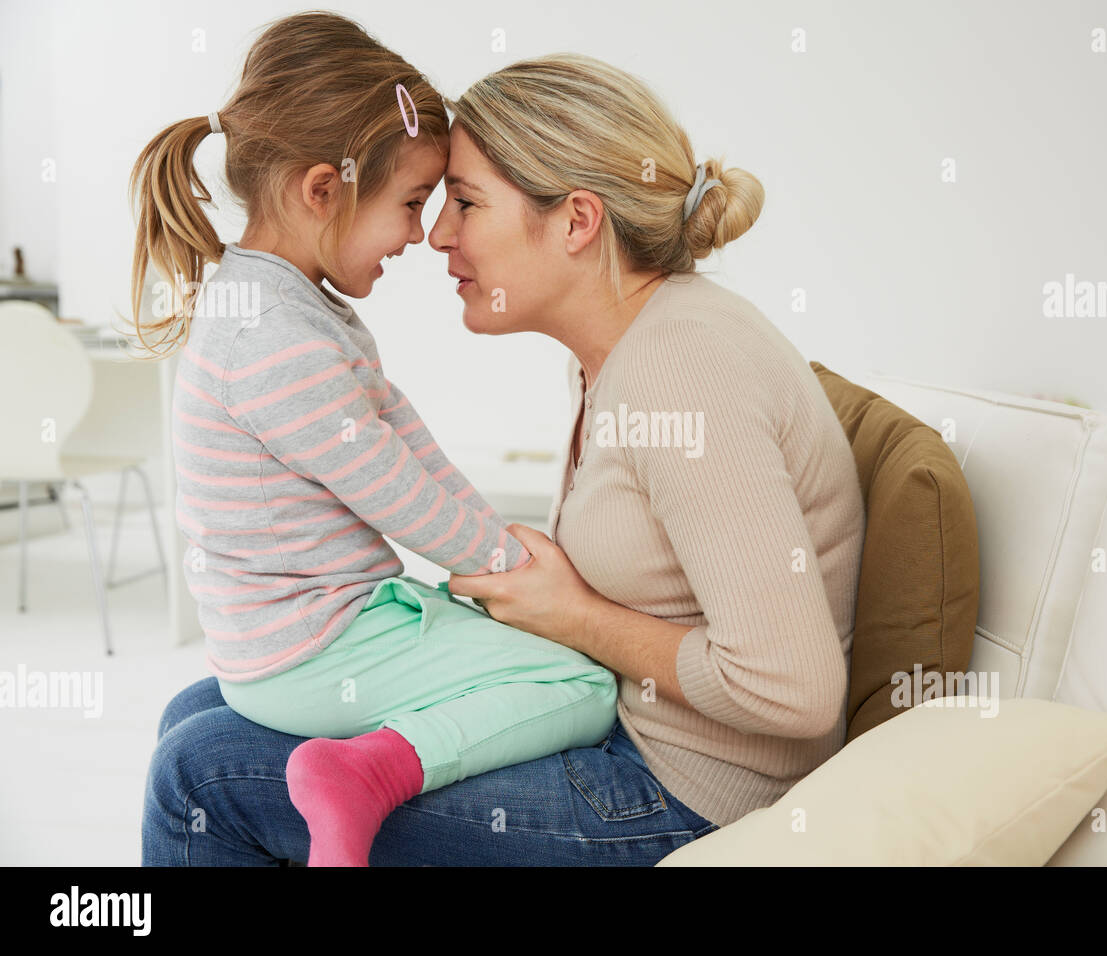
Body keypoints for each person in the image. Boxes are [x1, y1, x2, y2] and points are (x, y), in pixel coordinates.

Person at [142, 44, 867, 867]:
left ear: (576, 222)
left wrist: (580, 620)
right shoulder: (620, 354)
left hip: (681, 794)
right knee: (203, 712)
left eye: (464, 202)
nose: (436, 235)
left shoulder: (681, 369)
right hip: (632, 736)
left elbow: (793, 690)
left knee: (201, 774)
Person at [130, 11, 618, 867]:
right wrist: (516, 576)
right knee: (579, 683)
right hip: (317, 647)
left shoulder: (286, 306)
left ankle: (364, 766)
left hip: (302, 634)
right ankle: (369, 773)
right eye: (408, 204)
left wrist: (503, 558)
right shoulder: (277, 340)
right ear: (324, 190)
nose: (419, 235)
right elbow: (394, 494)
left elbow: (410, 453)